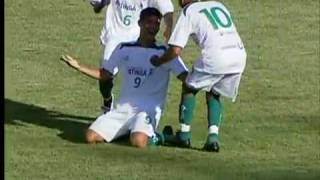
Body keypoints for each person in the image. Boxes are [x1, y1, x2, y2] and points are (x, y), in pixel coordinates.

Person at [60, 7, 188, 148]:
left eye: (157, 23)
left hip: (147, 110)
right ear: (139, 23)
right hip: (123, 110)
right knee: (91, 137)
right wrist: (78, 66)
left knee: (138, 142)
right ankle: (129, 131)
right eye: (149, 22)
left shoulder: (164, 53)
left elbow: (186, 77)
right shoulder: (124, 48)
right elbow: (105, 75)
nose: (153, 27)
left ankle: (163, 136)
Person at [150, 0, 247, 152]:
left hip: (217, 57)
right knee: (215, 92)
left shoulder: (189, 11)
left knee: (189, 87)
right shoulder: (218, 4)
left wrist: (159, 60)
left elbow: (175, 50)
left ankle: (183, 134)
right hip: (238, 55)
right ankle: (213, 138)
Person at [89, 0, 175, 112]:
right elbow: (97, 6)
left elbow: (168, 10)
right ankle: (107, 99)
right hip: (114, 37)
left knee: (139, 75)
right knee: (105, 77)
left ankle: (138, 112)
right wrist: (100, 5)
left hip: (138, 37)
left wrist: (169, 28)